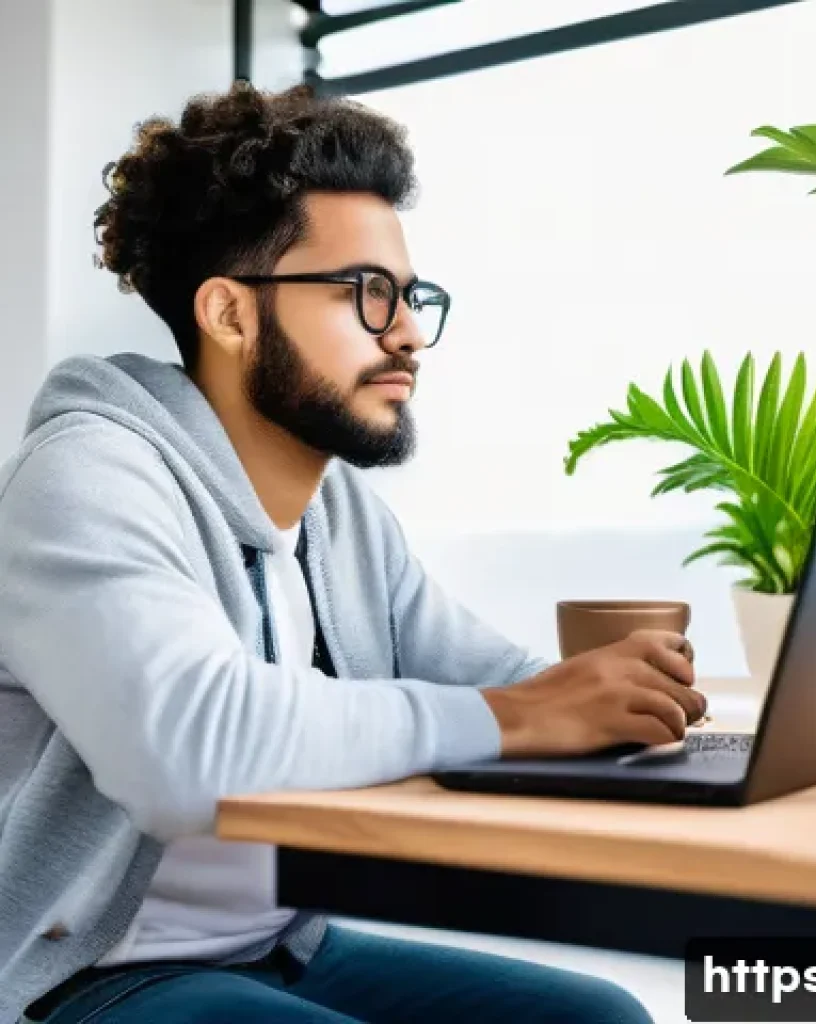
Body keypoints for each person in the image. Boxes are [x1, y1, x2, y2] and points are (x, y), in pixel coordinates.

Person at [0, 81, 704, 1024]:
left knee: (600, 1018)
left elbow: (500, 683)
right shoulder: (86, 479)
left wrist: (633, 701)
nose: (409, 332)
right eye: (367, 294)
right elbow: (189, 753)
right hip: (78, 980)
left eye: (411, 296)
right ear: (231, 315)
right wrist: (518, 713)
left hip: (276, 947)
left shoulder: (340, 517)